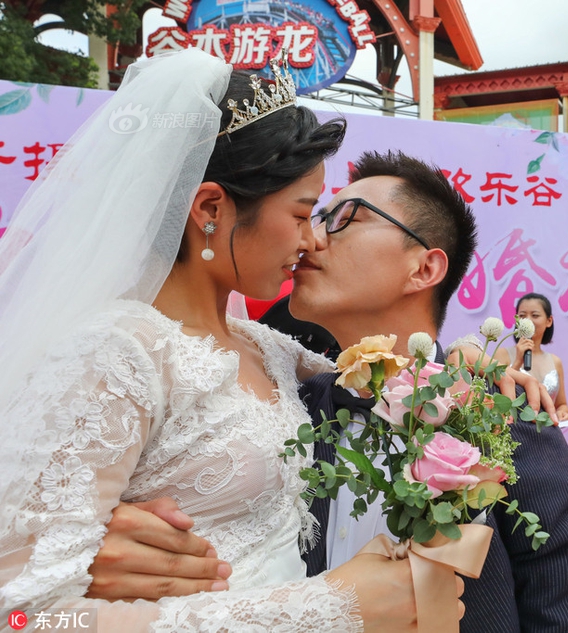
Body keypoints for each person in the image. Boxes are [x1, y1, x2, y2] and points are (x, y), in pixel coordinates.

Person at [0, 49, 439, 631]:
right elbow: (24, 614)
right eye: (302, 214)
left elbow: (382, 379)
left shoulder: (269, 348)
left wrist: (483, 365)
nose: (313, 241)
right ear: (210, 208)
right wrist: (328, 609)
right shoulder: (116, 353)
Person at [86, 151, 568, 632]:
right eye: (313, 217)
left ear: (424, 268)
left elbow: (564, 612)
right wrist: (100, 540)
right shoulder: (289, 403)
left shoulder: (501, 411)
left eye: (344, 219)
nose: (311, 240)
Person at [493, 292, 568, 421]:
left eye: (535, 315)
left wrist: (562, 412)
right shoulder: (502, 354)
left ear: (549, 321)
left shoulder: (555, 361)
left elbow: (561, 404)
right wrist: (517, 362)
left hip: (548, 429)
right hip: (515, 427)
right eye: (522, 316)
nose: (528, 320)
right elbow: (493, 395)